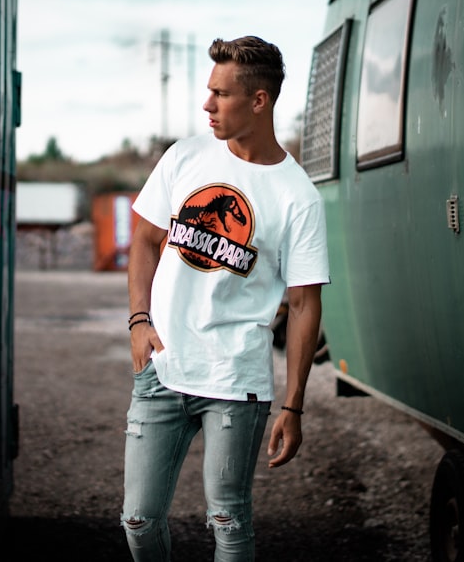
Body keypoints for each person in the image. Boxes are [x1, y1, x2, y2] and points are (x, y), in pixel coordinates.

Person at [121, 35, 330, 561]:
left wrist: (294, 404)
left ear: (258, 101)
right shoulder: (185, 156)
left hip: (236, 380)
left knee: (227, 517)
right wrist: (139, 322)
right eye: (207, 91)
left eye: (221, 94)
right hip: (163, 367)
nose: (207, 104)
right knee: (139, 520)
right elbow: (145, 238)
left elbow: (305, 306)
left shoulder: (296, 197)